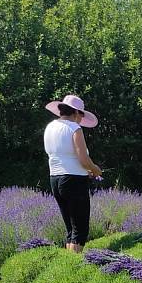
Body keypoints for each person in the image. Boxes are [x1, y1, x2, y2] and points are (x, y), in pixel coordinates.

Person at [44, 94, 102, 253]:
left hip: (55, 179)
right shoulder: (74, 129)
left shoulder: (50, 127)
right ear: (76, 113)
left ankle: (69, 262)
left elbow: (64, 155)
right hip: (74, 180)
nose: (81, 119)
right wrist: (95, 169)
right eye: (81, 115)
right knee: (80, 229)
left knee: (70, 228)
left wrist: (86, 170)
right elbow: (83, 159)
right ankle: (74, 265)